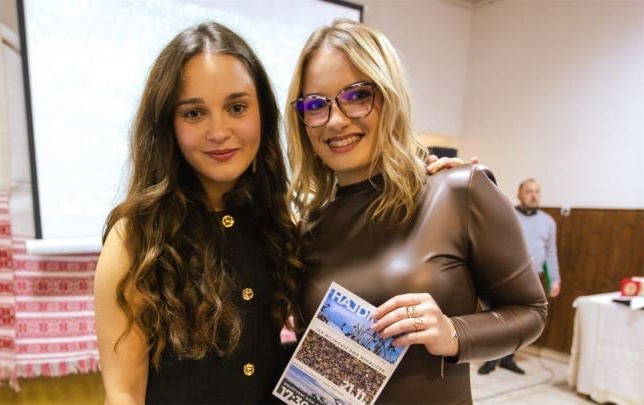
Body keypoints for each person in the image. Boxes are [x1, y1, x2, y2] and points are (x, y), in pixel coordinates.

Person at [286, 19, 548, 403]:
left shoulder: (458, 190)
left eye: (357, 95)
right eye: (315, 104)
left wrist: (452, 333)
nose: (336, 120)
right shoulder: (310, 228)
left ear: (390, 96)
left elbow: (531, 311)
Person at [93, 22, 302, 404]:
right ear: (167, 125)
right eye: (193, 113)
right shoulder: (136, 237)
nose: (218, 131)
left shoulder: (275, 222)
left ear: (263, 113)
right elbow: (123, 393)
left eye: (236, 108)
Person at [478, 178, 561, 375]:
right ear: (519, 194)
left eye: (537, 191)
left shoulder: (548, 222)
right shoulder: (508, 215)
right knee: (497, 319)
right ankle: (491, 359)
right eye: (529, 191)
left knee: (520, 321)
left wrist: (555, 279)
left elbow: (551, 253)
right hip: (506, 276)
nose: (534, 195)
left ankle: (508, 358)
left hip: (534, 277)